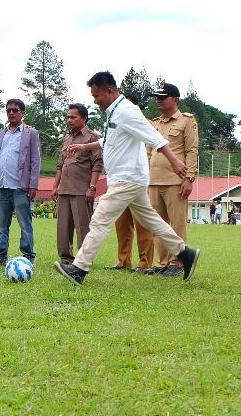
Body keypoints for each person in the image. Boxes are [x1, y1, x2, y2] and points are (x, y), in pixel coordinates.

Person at [53, 72, 199, 285]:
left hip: (127, 178)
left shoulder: (127, 111)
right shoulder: (115, 112)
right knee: (152, 220)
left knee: (100, 218)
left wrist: (175, 162)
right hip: (129, 179)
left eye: (97, 96)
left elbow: (154, 136)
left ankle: (79, 268)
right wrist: (86, 146)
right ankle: (185, 254)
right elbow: (110, 140)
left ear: (110, 91)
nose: (95, 100)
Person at [147, 83, 199, 276]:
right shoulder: (155, 123)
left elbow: (191, 151)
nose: (158, 100)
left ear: (175, 99)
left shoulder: (187, 121)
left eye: (163, 97)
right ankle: (161, 264)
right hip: (154, 181)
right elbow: (148, 151)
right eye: (157, 97)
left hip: (175, 181)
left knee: (176, 224)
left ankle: (177, 263)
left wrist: (189, 178)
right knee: (157, 224)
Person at [0, 99, 42, 265]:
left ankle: (28, 256)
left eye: (15, 110)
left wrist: (33, 184)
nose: (11, 113)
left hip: (20, 187)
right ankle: (1, 256)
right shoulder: (2, 132)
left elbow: (35, 160)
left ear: (23, 113)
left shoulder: (30, 133)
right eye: (8, 110)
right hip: (2, 186)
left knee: (25, 224)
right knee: (1, 225)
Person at [52, 103, 103, 266]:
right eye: (68, 117)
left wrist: (92, 187)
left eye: (73, 117)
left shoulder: (92, 138)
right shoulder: (66, 138)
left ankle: (83, 259)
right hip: (64, 189)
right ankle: (66, 258)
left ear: (84, 118)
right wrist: (55, 186)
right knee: (63, 226)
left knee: (83, 226)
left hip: (82, 190)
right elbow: (60, 165)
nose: (69, 120)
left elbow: (97, 164)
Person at [111, 92, 155, 273]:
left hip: (139, 181)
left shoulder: (146, 126)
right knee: (122, 225)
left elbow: (154, 153)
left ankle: (144, 263)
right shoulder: (118, 124)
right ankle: (123, 261)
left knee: (143, 224)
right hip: (121, 181)